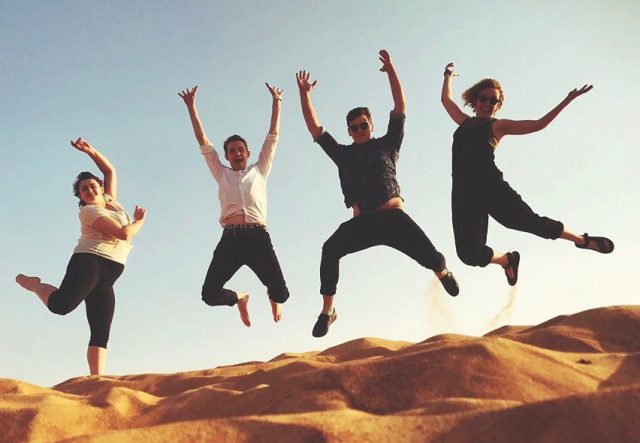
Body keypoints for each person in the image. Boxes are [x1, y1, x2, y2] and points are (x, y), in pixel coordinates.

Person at [297, 50, 459, 338]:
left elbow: (400, 106)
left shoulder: (388, 144)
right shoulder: (342, 155)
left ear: (370, 126)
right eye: (354, 127)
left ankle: (443, 272)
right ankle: (327, 311)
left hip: (394, 219)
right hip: (364, 224)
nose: (359, 130)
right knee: (329, 249)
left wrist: (392, 70)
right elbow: (315, 129)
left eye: (363, 125)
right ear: (348, 131)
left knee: (432, 258)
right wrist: (304, 93)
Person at [440, 63, 614, 285]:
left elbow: (539, 124)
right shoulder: (464, 122)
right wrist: (447, 76)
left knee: (531, 223)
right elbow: (446, 100)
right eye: (484, 98)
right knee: (468, 254)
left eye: (493, 101)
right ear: (476, 100)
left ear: (497, 106)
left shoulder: (497, 126)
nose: (487, 103)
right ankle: (507, 261)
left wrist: (567, 100)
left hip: (492, 188)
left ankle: (582, 240)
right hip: (464, 195)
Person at [16, 138, 147, 375]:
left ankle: (97, 381)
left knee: (101, 329)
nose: (89, 190)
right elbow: (123, 233)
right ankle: (34, 284)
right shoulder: (89, 211)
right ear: (81, 196)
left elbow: (109, 170)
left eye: (92, 185)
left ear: (99, 186)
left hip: (111, 272)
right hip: (90, 262)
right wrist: (139, 221)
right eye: (83, 189)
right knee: (61, 306)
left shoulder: (111, 202)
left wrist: (90, 151)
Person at [178, 83, 289, 327]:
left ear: (248, 153)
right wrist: (191, 106)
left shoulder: (259, 171)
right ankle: (239, 298)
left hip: (258, 238)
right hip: (231, 240)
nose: (237, 153)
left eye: (241, 150)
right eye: (232, 151)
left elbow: (273, 138)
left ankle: (274, 297)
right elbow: (203, 141)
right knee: (208, 294)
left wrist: (277, 102)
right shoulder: (221, 173)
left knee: (282, 293)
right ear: (226, 156)